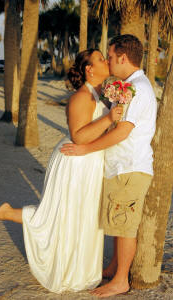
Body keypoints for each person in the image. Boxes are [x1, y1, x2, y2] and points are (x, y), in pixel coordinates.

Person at [0, 49, 123, 293]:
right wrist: (109, 118)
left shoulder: (99, 93)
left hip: (87, 162)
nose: (105, 61)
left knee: (83, 218)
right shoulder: (82, 97)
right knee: (65, 217)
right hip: (75, 162)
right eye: (101, 59)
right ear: (89, 70)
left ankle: (81, 270)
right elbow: (78, 137)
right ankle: (12, 213)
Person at [61, 34, 157, 298]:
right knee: (118, 220)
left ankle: (120, 280)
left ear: (123, 58)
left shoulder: (139, 89)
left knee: (125, 225)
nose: (110, 61)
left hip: (130, 166)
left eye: (111, 57)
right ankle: (115, 266)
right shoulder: (127, 86)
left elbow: (122, 132)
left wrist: (85, 149)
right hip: (120, 167)